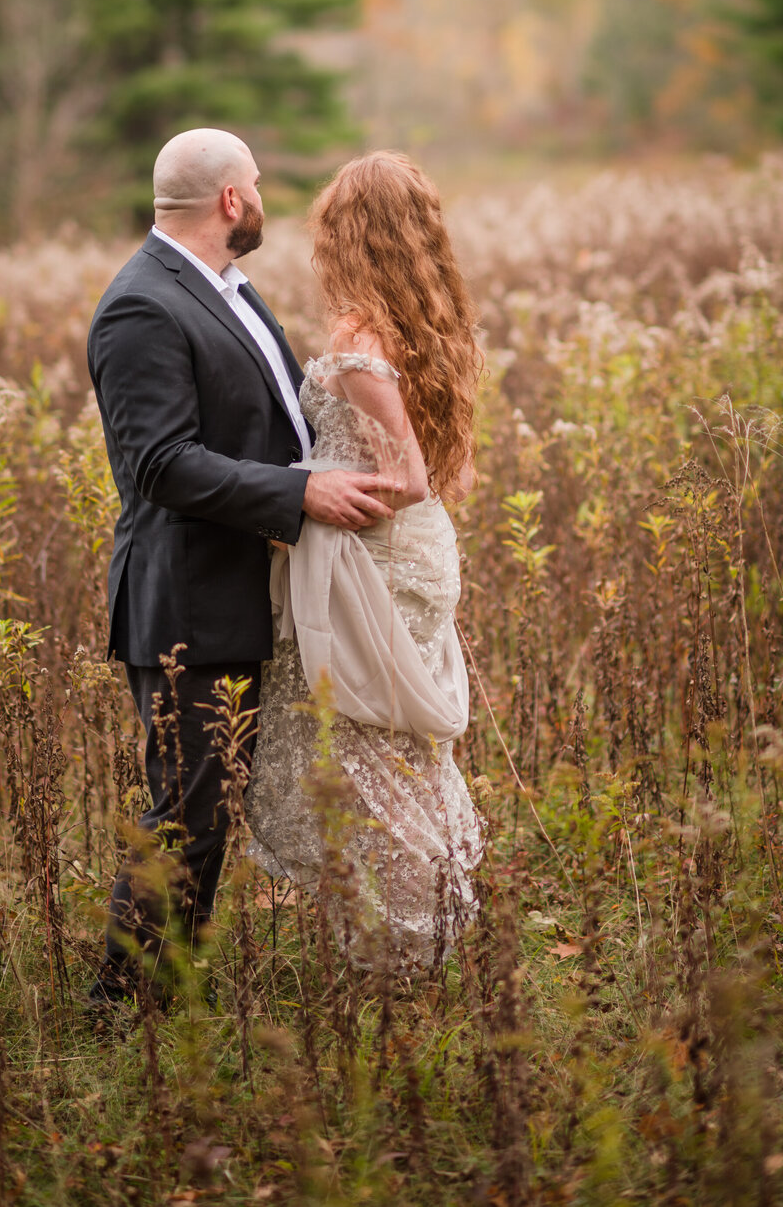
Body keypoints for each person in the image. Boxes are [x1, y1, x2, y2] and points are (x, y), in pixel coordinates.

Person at [85, 128, 397, 1005]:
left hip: (238, 591)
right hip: (186, 602)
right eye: (255, 184)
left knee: (207, 808)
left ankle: (160, 990)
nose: (262, 198)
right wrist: (297, 496)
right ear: (231, 200)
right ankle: (125, 1005)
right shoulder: (142, 305)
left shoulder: (226, 289)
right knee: (187, 813)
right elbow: (158, 463)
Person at [246, 151, 484, 968]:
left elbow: (409, 479)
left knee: (362, 751)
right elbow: (441, 469)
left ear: (351, 235)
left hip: (377, 558)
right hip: (412, 552)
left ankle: (403, 944)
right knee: (391, 749)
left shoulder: (358, 339)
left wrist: (313, 500)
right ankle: (417, 927)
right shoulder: (428, 324)